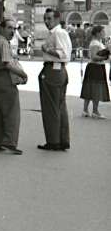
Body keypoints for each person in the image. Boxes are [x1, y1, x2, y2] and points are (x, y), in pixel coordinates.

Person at [0, 18, 28, 154]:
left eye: (14, 28)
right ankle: (9, 142)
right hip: (5, 78)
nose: (12, 31)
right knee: (12, 112)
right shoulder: (4, 43)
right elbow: (7, 63)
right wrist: (23, 74)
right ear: (2, 28)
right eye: (10, 28)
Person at [38, 8, 72, 151]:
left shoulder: (58, 33)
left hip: (53, 70)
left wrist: (46, 49)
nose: (46, 21)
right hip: (57, 70)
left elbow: (63, 54)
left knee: (50, 107)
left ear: (57, 19)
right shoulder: (58, 33)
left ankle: (53, 141)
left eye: (49, 19)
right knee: (59, 106)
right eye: (45, 18)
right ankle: (62, 140)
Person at [79, 25, 109, 119]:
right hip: (96, 67)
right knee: (96, 89)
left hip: (95, 67)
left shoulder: (97, 42)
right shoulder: (95, 43)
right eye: (103, 32)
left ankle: (85, 110)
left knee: (90, 88)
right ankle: (95, 111)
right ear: (98, 33)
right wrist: (105, 56)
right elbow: (94, 57)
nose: (104, 33)